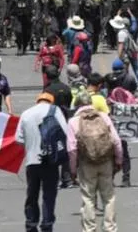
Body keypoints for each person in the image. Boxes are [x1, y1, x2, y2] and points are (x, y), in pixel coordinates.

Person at [66, 92, 122, 232]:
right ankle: (110, 228)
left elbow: (72, 149)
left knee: (88, 198)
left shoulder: (73, 121)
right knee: (108, 197)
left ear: (78, 104)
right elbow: (116, 141)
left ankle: (90, 229)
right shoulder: (103, 117)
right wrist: (119, 160)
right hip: (106, 162)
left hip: (86, 164)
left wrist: (73, 170)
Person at [17, 92, 68, 232]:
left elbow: (19, 140)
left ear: (37, 101)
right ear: (50, 101)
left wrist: (30, 145)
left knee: (32, 194)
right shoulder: (55, 110)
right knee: (49, 194)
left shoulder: (26, 113)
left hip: (32, 161)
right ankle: (47, 224)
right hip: (50, 160)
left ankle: (31, 223)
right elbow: (65, 133)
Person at [42, 64, 74, 189]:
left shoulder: (47, 90)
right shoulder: (66, 88)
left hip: (52, 123)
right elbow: (70, 102)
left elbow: (43, 106)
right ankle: (67, 179)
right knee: (66, 149)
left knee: (52, 150)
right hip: (65, 121)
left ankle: (54, 179)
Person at [111, 15, 138, 83]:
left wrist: (118, 57)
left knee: (125, 70)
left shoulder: (121, 33)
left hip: (126, 54)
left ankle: (126, 83)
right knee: (136, 69)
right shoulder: (126, 31)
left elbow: (121, 45)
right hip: (133, 52)